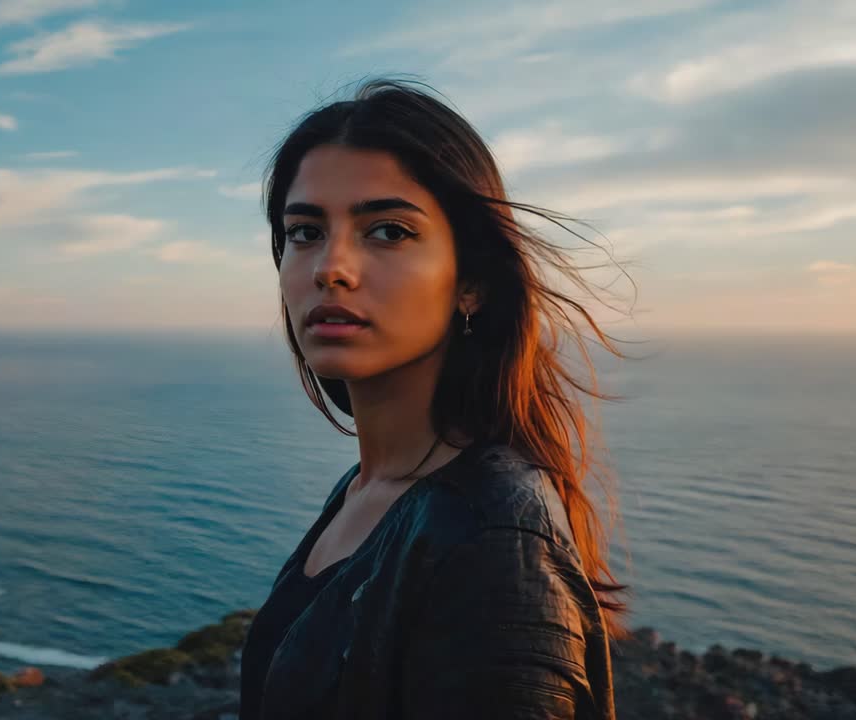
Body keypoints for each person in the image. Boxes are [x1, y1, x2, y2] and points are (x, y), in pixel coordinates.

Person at [238, 75, 634, 720]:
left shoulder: (489, 535)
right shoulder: (368, 490)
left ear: (470, 283)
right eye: (305, 232)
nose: (329, 266)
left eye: (388, 231)